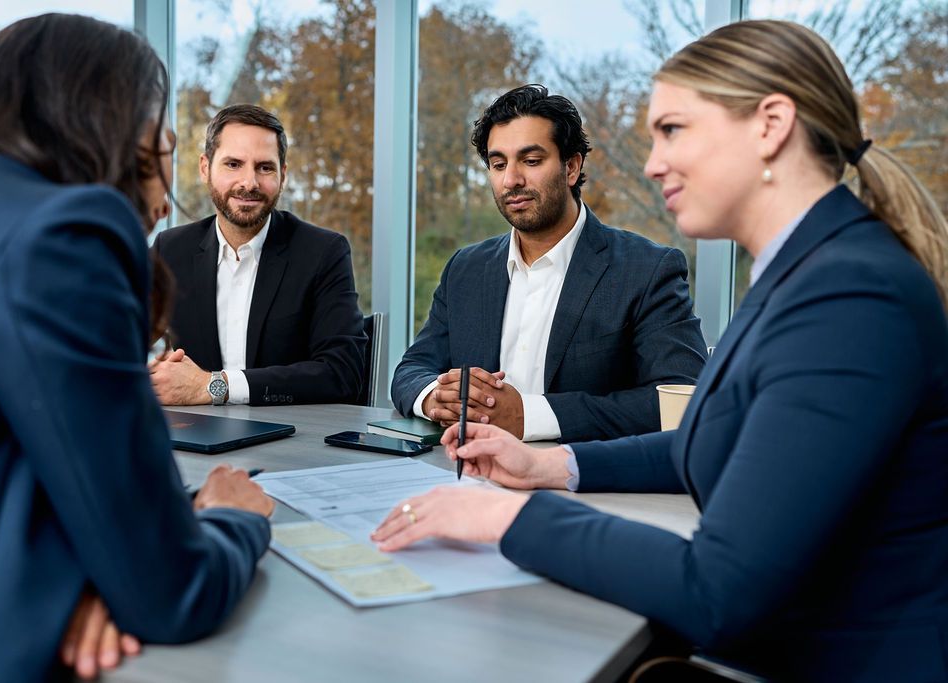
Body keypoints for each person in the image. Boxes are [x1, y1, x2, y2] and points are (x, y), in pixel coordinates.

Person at [373, 20, 948, 682]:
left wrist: (507, 514)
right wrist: (548, 466)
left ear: (771, 124)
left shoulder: (849, 294)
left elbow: (719, 589)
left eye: (673, 130)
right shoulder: (804, 272)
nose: (651, 162)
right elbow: (711, 439)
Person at [0, 14, 277, 682]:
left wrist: (91, 557)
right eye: (164, 141)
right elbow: (171, 589)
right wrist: (232, 516)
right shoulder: (62, 232)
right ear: (127, 131)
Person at [391, 85, 707, 443]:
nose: (511, 180)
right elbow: (411, 369)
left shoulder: (647, 269)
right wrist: (434, 397)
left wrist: (530, 416)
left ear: (571, 167)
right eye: (498, 164)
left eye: (531, 160)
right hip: (465, 472)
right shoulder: (465, 269)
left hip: (583, 482)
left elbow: (680, 395)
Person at [149, 104, 366, 407]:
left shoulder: (323, 253)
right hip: (195, 438)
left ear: (283, 174)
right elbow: (119, 344)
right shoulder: (169, 250)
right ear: (204, 168)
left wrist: (216, 386)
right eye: (233, 164)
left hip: (289, 443)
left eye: (265, 167)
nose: (249, 183)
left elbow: (343, 374)